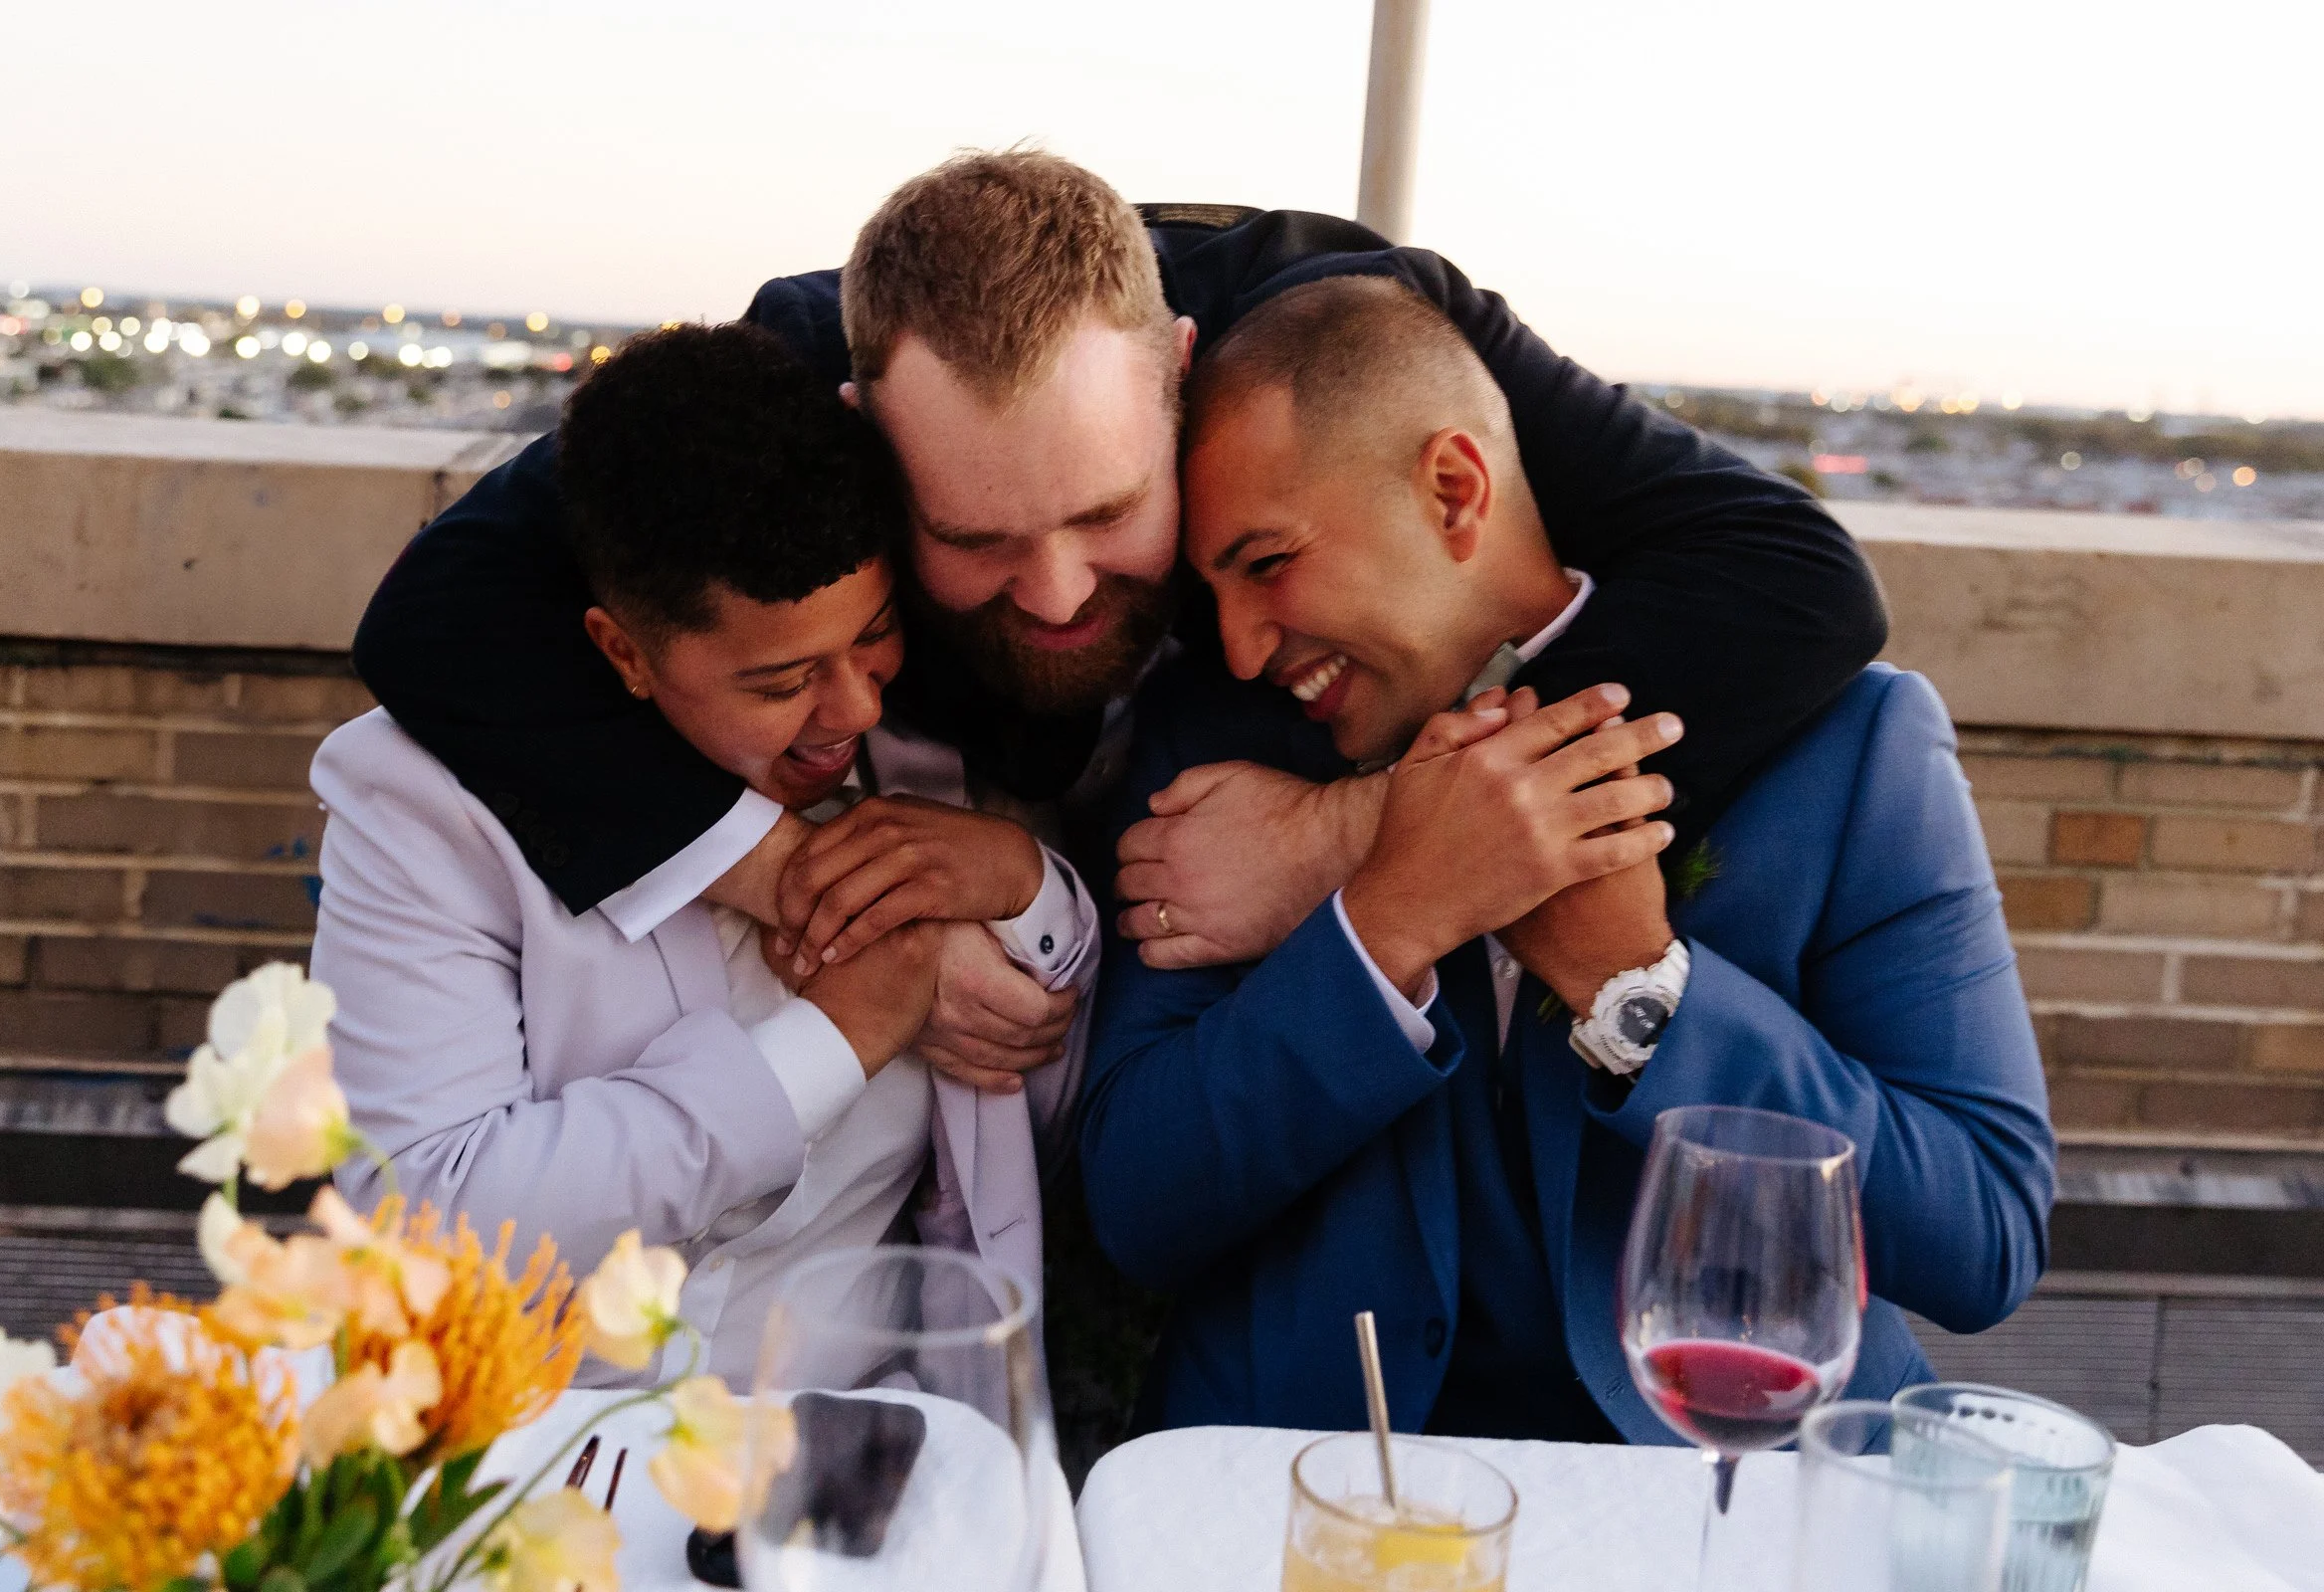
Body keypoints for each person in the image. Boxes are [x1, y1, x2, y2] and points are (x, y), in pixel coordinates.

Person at [346, 151, 1891, 1064]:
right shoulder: (789, 370)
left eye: (1105, 512)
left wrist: (1350, 835)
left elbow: (1792, 580)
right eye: (973, 537)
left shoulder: (1346, 324)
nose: (1059, 588)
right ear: (858, 421)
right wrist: (815, 888)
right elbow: (438, 613)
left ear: (1181, 370)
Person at [1076, 276, 2055, 1441]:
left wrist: (1636, 986)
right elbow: (1135, 1203)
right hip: (1317, 1481)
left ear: (1453, 490)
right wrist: (1383, 922)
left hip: (1721, 1481)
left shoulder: (1849, 747)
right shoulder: (1219, 755)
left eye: (1270, 562)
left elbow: (1985, 1233)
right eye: (1211, 592)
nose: (1237, 646)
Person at [308, 322, 1097, 1383]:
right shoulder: (423, 800)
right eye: (780, 683)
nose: (854, 706)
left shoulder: (931, 752)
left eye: (874, 634)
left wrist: (1030, 885)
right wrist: (830, 1040)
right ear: (622, 653)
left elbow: (1052, 1106)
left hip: (871, 1454)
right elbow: (421, 1223)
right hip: (533, 1463)